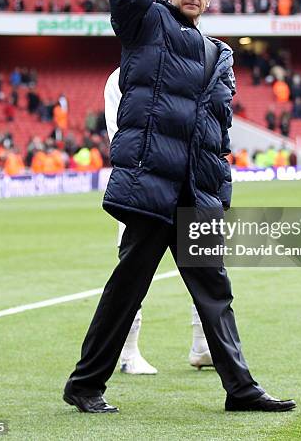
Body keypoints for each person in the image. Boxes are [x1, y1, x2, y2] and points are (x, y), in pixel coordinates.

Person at [63, 0, 296, 415]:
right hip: (151, 188)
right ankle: (85, 385)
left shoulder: (220, 55)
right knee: (128, 289)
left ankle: (240, 389)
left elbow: (217, 136)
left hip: (195, 193)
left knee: (214, 293)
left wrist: (219, 198)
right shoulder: (146, 24)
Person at [104, 67, 213, 374]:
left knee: (207, 266)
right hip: (144, 187)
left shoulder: (194, 65)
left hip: (190, 185)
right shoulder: (123, 76)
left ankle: (205, 344)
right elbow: (122, 137)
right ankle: (127, 353)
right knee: (134, 272)